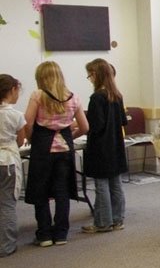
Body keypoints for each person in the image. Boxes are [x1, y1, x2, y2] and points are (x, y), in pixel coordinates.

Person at [24, 61, 89, 247]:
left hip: (43, 150)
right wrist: (70, 136)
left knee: (41, 191)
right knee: (62, 191)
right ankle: (61, 234)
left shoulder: (38, 95)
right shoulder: (73, 97)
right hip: (65, 150)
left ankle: (44, 235)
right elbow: (85, 127)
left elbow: (28, 123)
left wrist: (31, 138)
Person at [81, 59, 128, 233]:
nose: (90, 78)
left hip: (100, 148)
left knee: (101, 186)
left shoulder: (96, 98)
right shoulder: (117, 95)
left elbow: (96, 126)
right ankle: (117, 220)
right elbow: (123, 121)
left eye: (90, 75)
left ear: (97, 74)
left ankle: (102, 222)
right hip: (116, 146)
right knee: (116, 184)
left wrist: (81, 126)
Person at [0, 75, 26, 257]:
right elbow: (21, 139)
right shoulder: (16, 115)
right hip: (7, 161)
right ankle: (6, 245)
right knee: (7, 203)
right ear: (12, 90)